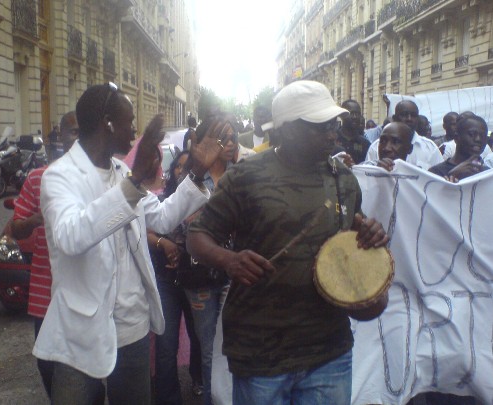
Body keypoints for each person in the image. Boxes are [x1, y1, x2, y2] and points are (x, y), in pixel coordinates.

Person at [187, 80, 389, 405]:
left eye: (333, 124)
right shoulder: (246, 176)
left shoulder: (345, 181)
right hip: (260, 355)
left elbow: (353, 237)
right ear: (289, 129)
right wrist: (228, 260)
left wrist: (370, 236)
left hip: (329, 351)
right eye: (320, 126)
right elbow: (197, 236)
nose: (332, 133)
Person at [33, 83, 223, 405]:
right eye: (129, 120)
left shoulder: (121, 170)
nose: (134, 130)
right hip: (81, 330)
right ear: (108, 123)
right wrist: (134, 183)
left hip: (131, 324)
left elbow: (161, 218)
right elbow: (71, 237)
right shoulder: (60, 177)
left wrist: (196, 174)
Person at [10, 111, 79, 399]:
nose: (76, 138)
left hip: (81, 292)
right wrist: (38, 218)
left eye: (81, 131)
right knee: (46, 363)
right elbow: (16, 229)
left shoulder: (97, 180)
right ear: (59, 137)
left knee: (81, 366)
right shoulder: (38, 178)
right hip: (44, 293)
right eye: (71, 132)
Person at [184, 112, 239, 405]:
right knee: (207, 349)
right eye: (223, 138)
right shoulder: (193, 177)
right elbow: (176, 221)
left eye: (233, 138)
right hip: (200, 276)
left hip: (233, 272)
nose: (229, 144)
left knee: (227, 345)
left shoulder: (240, 175)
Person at [147, 150, 204, 404]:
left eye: (187, 167)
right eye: (178, 167)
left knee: (201, 338)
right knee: (165, 345)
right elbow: (146, 227)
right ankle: (168, 397)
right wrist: (163, 244)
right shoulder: (164, 199)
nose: (182, 171)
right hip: (167, 280)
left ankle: (200, 380)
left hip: (196, 281)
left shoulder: (205, 198)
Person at [365, 100, 443, 170]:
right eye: (404, 115)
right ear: (395, 118)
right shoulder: (376, 147)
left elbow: (439, 180)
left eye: (413, 115)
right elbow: (366, 176)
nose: (409, 119)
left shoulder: (430, 148)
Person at [429, 114, 490, 182]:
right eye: (472, 134)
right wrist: (452, 176)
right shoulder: (435, 173)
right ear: (456, 137)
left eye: (483, 136)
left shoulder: (488, 174)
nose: (478, 139)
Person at [336, 99, 370, 164]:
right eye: (351, 113)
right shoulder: (333, 139)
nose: (355, 117)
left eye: (358, 114)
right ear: (342, 115)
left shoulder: (365, 144)